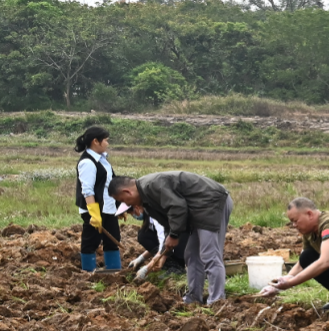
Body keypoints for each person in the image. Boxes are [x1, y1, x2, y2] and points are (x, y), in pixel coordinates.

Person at [109, 172, 234, 305]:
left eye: (123, 200)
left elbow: (177, 207)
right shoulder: (147, 199)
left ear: (127, 192)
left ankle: (217, 301)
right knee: (191, 254)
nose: (126, 204)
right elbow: (167, 223)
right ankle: (193, 298)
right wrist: (165, 251)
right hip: (199, 210)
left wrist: (174, 235)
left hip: (211, 203)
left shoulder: (152, 186)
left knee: (209, 254)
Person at [74, 126, 121, 272]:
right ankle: (88, 273)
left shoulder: (103, 160)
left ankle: (114, 272)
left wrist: (119, 206)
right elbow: (87, 190)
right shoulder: (87, 163)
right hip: (94, 209)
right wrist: (94, 214)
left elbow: (110, 184)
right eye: (106, 140)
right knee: (91, 241)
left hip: (108, 207)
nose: (107, 144)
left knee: (113, 240)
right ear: (96, 141)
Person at [120, 204, 189, 275]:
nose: (132, 216)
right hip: (172, 241)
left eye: (130, 213)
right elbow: (157, 245)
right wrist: (140, 258)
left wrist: (147, 268)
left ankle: (176, 266)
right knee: (144, 235)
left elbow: (164, 242)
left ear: (136, 208)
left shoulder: (155, 216)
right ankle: (167, 264)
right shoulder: (149, 219)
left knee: (145, 236)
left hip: (182, 237)